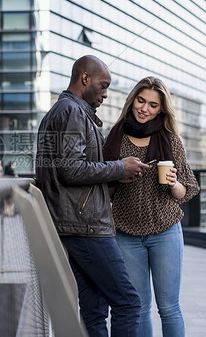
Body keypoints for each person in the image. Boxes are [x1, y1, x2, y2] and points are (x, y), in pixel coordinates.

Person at [35, 55, 149, 336]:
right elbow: (72, 170)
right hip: (85, 226)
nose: (106, 94)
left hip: (74, 222)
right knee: (129, 303)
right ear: (85, 78)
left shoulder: (62, 110)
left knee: (94, 308)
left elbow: (70, 168)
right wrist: (120, 166)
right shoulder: (71, 112)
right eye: (103, 85)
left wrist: (115, 173)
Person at [102, 76, 200, 337]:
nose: (144, 108)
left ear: (161, 109)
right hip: (125, 233)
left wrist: (173, 183)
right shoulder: (114, 139)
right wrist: (117, 176)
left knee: (168, 308)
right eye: (141, 100)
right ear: (132, 99)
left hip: (165, 232)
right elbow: (103, 188)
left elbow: (188, 189)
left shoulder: (171, 140)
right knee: (140, 308)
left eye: (153, 105)